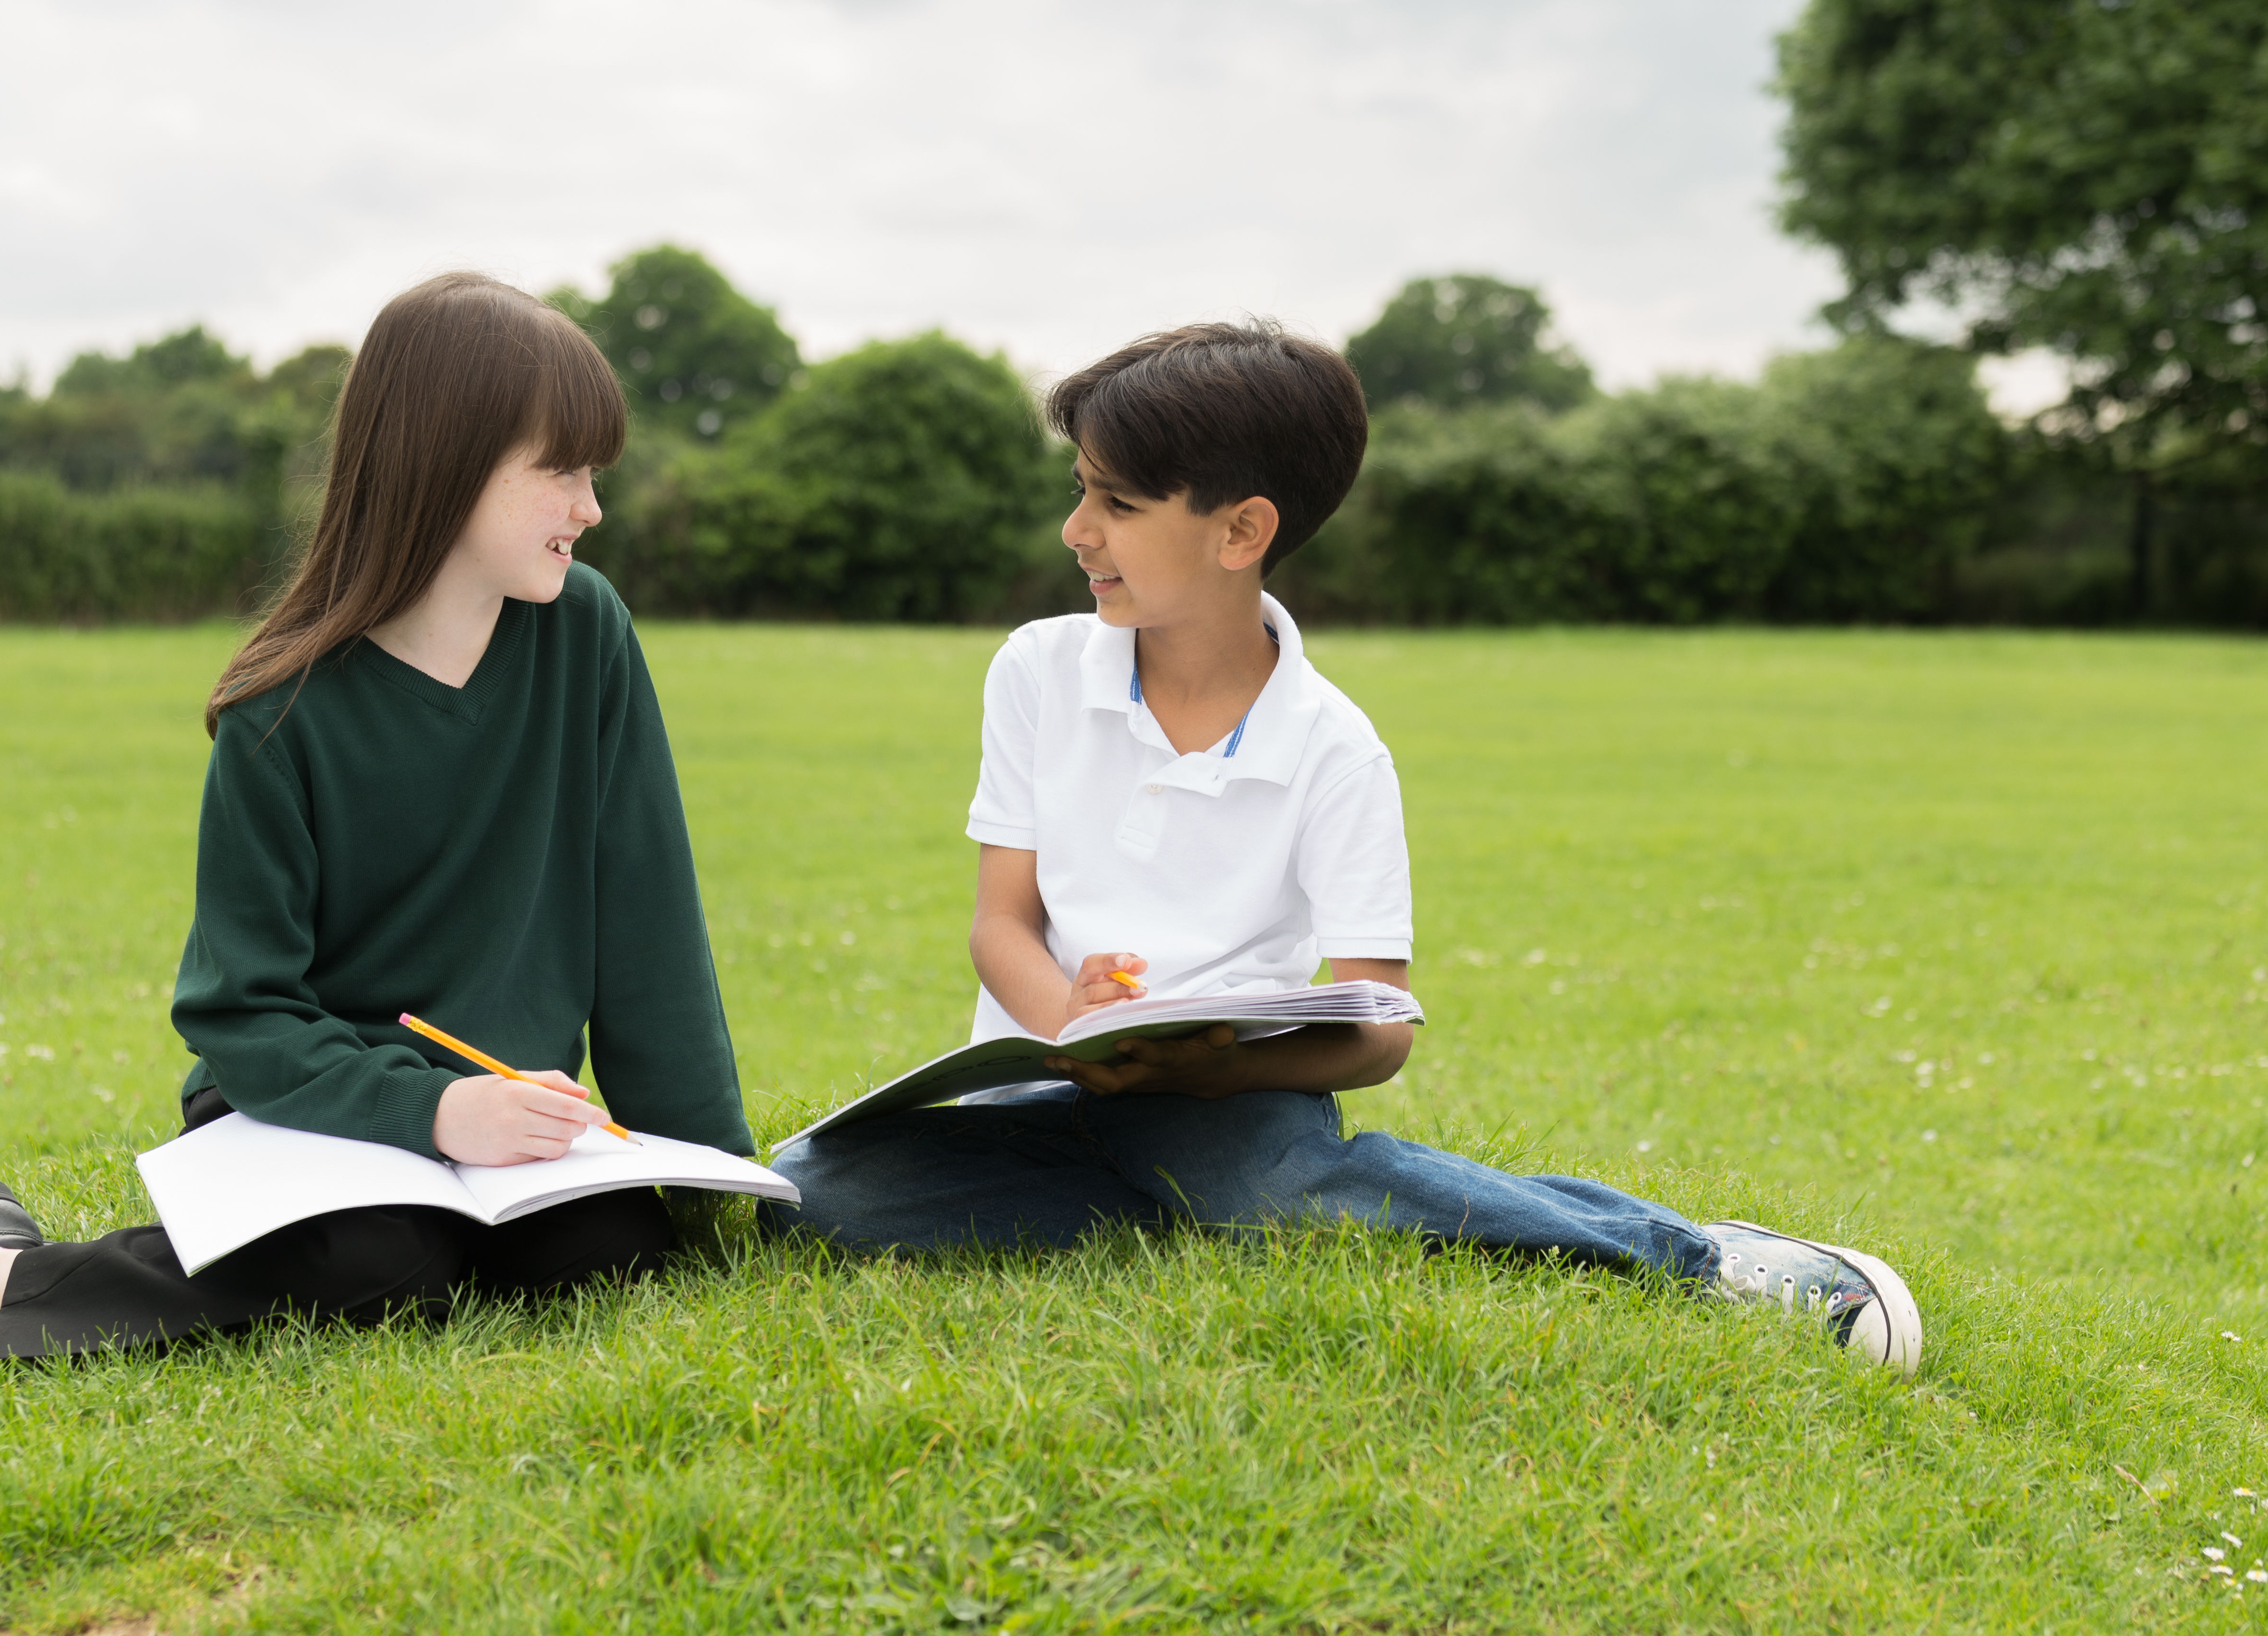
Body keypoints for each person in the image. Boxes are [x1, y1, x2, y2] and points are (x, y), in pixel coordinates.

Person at [761, 320, 1921, 1372]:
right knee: (804, 1197)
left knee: (1260, 1176)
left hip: (1230, 1105)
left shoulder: (1335, 750)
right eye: (1081, 494)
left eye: (1114, 505)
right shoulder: (1036, 671)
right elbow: (1001, 921)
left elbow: (1378, 1026)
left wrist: (1198, 1069)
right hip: (1038, 1089)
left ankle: (1697, 1258)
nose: (1077, 533)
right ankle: (1192, 1205)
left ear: (1242, 530)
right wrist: (1067, 1023)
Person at [0, 272, 753, 1363]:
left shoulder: (587, 633)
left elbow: (649, 915)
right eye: (563, 472)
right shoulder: (280, 711)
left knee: (612, 1250)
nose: (591, 507)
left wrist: (716, 1171)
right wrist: (439, 1113)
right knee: (380, 1264)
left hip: (507, 1130)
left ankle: (24, 1259)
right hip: (305, 1114)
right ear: (447, 470)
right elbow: (241, 1015)